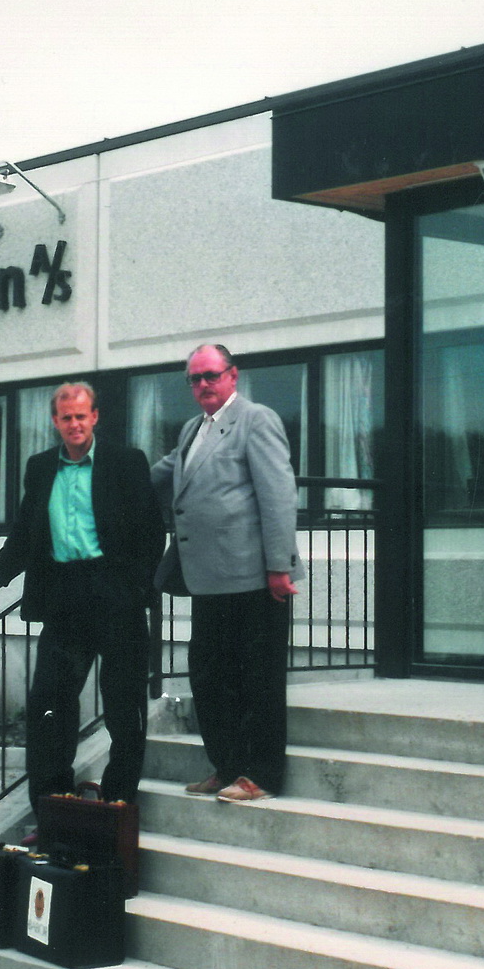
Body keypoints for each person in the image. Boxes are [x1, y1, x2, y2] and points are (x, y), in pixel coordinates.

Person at [0, 382, 164, 821]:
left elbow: (152, 533)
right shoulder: (40, 469)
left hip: (117, 600)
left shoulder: (126, 463)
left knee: (123, 708)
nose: (74, 424)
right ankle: (53, 807)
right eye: (65, 417)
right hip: (63, 600)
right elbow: (24, 534)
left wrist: (134, 589)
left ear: (95, 417)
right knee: (49, 708)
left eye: (81, 416)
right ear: (55, 422)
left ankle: (118, 804)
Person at [152, 344, 304, 803]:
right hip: (209, 581)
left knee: (257, 680)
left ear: (233, 376)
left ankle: (261, 774)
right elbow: (162, 473)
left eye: (210, 376)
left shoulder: (256, 420)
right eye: (194, 379)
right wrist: (104, 473)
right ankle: (227, 767)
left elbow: (278, 495)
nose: (202, 386)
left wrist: (279, 567)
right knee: (210, 678)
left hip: (256, 580)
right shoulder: (191, 429)